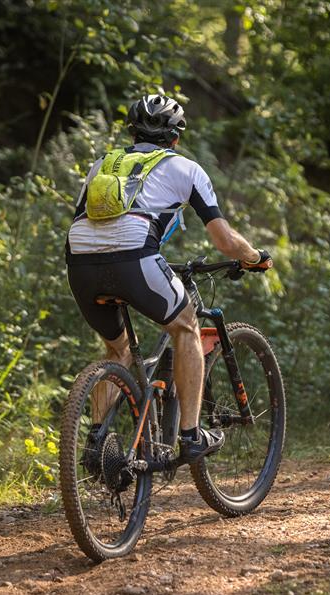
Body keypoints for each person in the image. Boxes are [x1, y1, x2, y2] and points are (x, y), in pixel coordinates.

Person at [66, 93, 272, 466]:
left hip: (79, 261)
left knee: (118, 349)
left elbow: (90, 223)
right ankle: (191, 436)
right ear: (176, 136)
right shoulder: (185, 169)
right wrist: (255, 258)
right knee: (187, 327)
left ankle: (96, 443)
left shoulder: (102, 164)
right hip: (135, 258)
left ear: (131, 133)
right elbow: (224, 240)